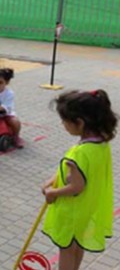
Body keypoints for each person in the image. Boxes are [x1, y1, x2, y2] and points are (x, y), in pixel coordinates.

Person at [42, 89, 117, 270]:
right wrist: (54, 179)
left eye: (65, 121)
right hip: (86, 207)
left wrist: (53, 192)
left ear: (80, 123)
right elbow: (78, 173)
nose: (62, 125)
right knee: (77, 243)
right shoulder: (101, 142)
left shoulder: (80, 153)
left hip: (72, 211)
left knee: (66, 248)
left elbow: (77, 186)